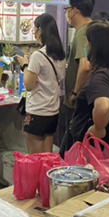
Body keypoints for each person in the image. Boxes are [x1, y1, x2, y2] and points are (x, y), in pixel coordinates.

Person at [65, 21, 109, 152]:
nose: (86, 46)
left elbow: (104, 106)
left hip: (97, 153)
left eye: (88, 42)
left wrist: (97, 128)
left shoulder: (101, 76)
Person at [15, 14, 66, 153]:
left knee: (34, 158)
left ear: (41, 30)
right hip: (53, 111)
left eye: (35, 29)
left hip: (36, 112)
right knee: (46, 156)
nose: (34, 32)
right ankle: (45, 176)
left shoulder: (38, 56)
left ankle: (35, 176)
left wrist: (25, 65)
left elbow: (29, 85)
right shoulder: (60, 55)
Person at [58, 0, 94, 147]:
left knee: (74, 145)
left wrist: (75, 92)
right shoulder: (93, 28)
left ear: (75, 11)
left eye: (68, 9)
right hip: (91, 96)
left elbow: (85, 65)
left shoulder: (82, 32)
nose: (67, 13)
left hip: (80, 99)